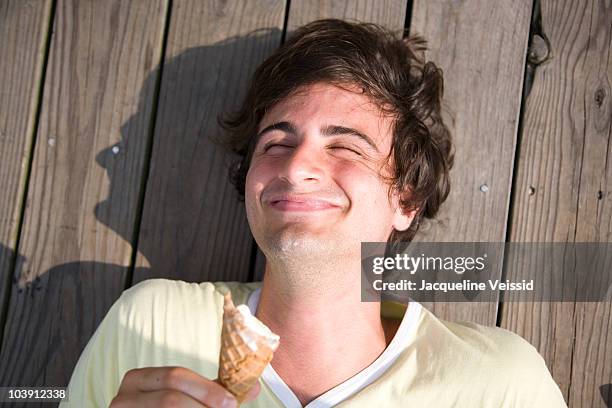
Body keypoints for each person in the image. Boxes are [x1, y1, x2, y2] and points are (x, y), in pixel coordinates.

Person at [61, 19, 567, 407]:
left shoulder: (500, 382)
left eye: (345, 147)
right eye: (276, 142)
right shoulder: (148, 324)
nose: (297, 166)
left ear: (407, 200)